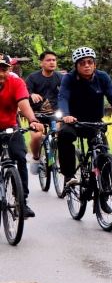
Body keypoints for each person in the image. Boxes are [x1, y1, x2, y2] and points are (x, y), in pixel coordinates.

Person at [57, 47, 112, 189]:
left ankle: (106, 188)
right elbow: (63, 97)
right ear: (76, 66)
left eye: (90, 62)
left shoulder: (102, 77)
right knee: (64, 135)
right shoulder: (69, 78)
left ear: (95, 64)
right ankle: (69, 175)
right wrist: (66, 115)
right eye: (82, 63)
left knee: (102, 150)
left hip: (94, 121)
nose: (87, 65)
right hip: (74, 121)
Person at [0, 53, 45, 218]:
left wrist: (33, 120)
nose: (0, 73)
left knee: (19, 156)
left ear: (9, 69)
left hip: (11, 128)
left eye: (3, 69)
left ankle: (22, 201)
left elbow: (23, 104)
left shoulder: (16, 82)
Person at [25, 50, 63, 175]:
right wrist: (31, 95)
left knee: (59, 134)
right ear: (41, 63)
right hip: (37, 114)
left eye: (54, 60)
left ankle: (52, 159)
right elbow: (24, 94)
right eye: (48, 60)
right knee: (36, 137)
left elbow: (67, 94)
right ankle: (36, 158)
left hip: (55, 115)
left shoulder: (60, 78)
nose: (52, 62)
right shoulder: (32, 78)